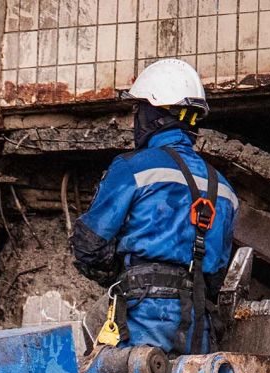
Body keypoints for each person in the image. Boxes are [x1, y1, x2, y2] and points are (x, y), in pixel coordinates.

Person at [70, 58, 239, 355]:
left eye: (138, 110)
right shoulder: (225, 190)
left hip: (141, 321)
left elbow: (88, 246)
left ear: (154, 112)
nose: (134, 120)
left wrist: (125, 276)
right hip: (198, 326)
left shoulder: (132, 168)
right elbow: (216, 277)